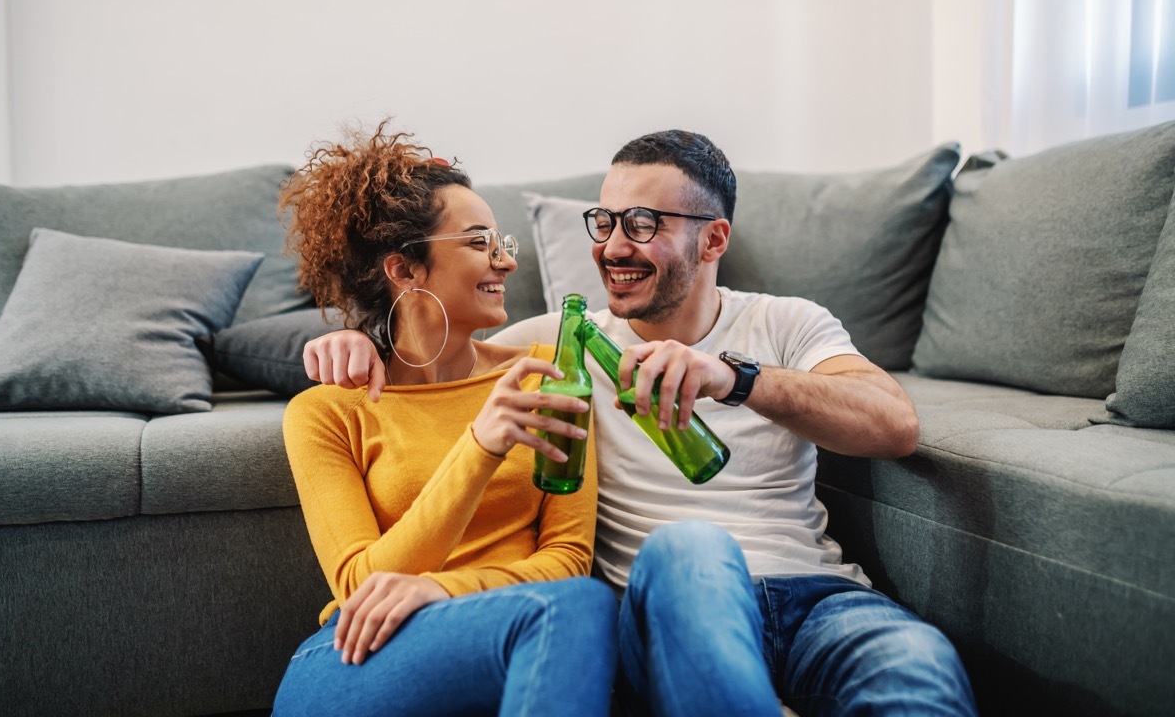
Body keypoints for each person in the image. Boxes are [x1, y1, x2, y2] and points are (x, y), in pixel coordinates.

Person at [302, 130, 978, 716]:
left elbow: (894, 424)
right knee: (692, 545)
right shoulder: (567, 348)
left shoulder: (786, 323)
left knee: (917, 667)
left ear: (713, 239)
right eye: (606, 222)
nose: (613, 247)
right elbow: (429, 345)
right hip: (669, 600)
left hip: (820, 600)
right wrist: (352, 340)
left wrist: (735, 379)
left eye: (643, 225)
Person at [272, 122, 618, 717]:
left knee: (580, 603)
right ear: (405, 270)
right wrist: (479, 447)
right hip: (358, 654)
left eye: (502, 241)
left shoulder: (548, 376)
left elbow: (568, 561)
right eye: (480, 242)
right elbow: (358, 589)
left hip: (522, 633)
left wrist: (440, 588)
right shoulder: (327, 412)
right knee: (571, 610)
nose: (506, 261)